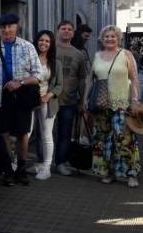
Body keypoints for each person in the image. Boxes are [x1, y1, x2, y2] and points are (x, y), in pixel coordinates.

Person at [0, 13, 41, 186]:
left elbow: (38, 75)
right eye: (3, 27)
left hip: (21, 97)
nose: (6, 30)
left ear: (17, 27)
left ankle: (21, 169)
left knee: (23, 134)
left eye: (10, 26)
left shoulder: (27, 47)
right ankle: (8, 169)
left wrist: (20, 82)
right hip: (0, 99)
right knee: (4, 134)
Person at [84, 26, 141, 187]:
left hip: (122, 104)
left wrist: (135, 99)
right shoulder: (96, 56)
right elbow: (90, 79)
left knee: (125, 140)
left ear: (118, 38)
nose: (109, 39)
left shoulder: (126, 54)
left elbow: (134, 79)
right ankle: (108, 172)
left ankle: (131, 174)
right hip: (101, 105)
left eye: (113, 36)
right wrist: (85, 99)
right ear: (102, 39)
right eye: (106, 37)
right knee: (103, 140)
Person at [55, 20, 87, 176]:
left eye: (69, 29)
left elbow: (82, 78)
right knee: (44, 133)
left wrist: (82, 101)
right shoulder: (49, 48)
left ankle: (60, 163)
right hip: (50, 99)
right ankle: (42, 162)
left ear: (73, 33)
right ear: (58, 31)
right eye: (63, 28)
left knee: (65, 134)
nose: (66, 31)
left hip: (69, 100)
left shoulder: (78, 54)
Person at [31, 30, 63, 180]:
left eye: (47, 41)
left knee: (46, 135)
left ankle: (47, 167)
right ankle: (16, 163)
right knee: (26, 133)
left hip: (47, 102)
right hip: (29, 101)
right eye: (41, 40)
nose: (43, 43)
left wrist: (48, 95)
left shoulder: (56, 63)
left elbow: (59, 85)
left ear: (51, 45)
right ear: (36, 41)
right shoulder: (30, 58)